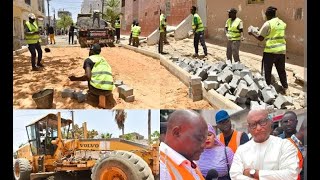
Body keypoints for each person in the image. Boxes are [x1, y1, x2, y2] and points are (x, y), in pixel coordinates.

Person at [229, 109, 300, 179]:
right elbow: (235, 175)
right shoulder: (241, 150)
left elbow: (291, 174)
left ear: (270, 122)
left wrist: (254, 173)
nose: (258, 128)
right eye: (253, 124)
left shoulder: (285, 145)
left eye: (262, 122)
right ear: (249, 128)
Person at [248, 6, 289, 94]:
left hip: (270, 51)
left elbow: (260, 38)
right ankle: (285, 87)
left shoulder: (268, 23)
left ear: (268, 14)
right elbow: (273, 33)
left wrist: (252, 33)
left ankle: (267, 89)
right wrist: (259, 30)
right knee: (281, 70)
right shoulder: (282, 23)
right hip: (281, 51)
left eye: (266, 15)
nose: (266, 17)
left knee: (267, 70)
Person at [160, 110, 208, 179]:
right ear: (176, 133)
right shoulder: (163, 169)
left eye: (205, 140)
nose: (203, 146)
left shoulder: (190, 162)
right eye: (199, 138)